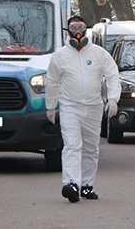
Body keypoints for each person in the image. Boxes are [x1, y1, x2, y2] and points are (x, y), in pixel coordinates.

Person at [45, 15, 121, 203]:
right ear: (68, 31)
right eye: (73, 27)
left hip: (94, 106)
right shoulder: (60, 56)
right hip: (70, 105)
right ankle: (71, 183)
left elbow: (112, 74)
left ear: (86, 29)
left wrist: (113, 99)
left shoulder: (99, 53)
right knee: (72, 145)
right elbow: (52, 82)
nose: (77, 31)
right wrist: (51, 106)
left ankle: (87, 185)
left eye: (81, 27)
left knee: (90, 147)